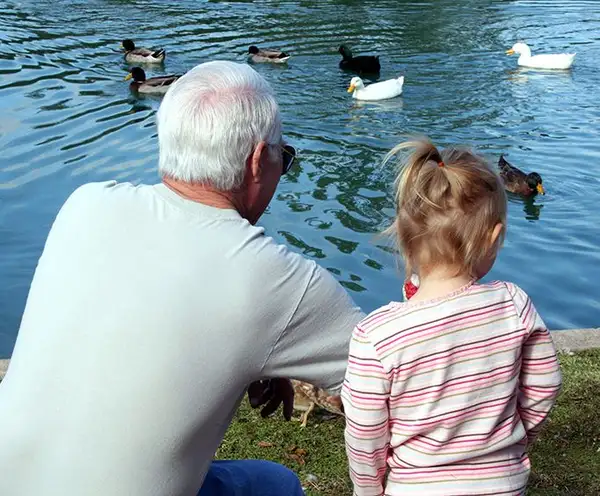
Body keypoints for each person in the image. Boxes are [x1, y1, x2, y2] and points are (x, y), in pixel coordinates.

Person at [0, 61, 364, 496]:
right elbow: (397, 372)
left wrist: (267, 350)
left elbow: (146, 304)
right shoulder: (279, 280)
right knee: (277, 483)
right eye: (281, 158)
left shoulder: (85, 204)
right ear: (255, 162)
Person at [342, 139, 562, 496]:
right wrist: (514, 439)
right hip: (502, 485)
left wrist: (369, 491)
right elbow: (544, 386)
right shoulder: (514, 305)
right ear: (495, 238)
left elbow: (365, 434)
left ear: (400, 236)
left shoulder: (376, 336)